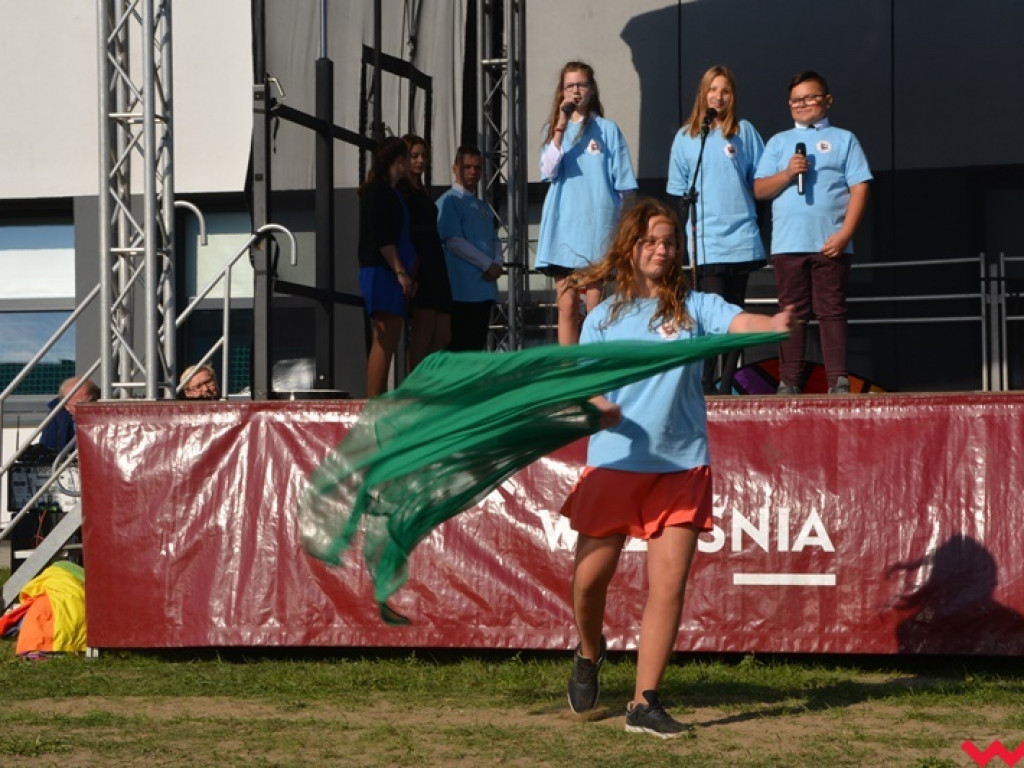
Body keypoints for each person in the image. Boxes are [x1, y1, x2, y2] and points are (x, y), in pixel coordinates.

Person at [560, 198, 793, 737]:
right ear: (630, 247)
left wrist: (771, 324)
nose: (661, 251)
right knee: (590, 581)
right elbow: (582, 381)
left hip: (681, 465)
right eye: (651, 242)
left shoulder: (694, 306)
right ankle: (589, 652)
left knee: (668, 587)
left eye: (669, 243)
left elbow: (737, 322)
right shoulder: (604, 317)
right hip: (616, 462)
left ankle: (644, 703)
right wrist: (598, 405)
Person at [753, 71, 872, 395]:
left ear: (827, 100)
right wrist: (789, 172)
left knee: (831, 309)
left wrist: (845, 234)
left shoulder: (844, 139)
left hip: (831, 242)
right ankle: (788, 380)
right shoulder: (778, 142)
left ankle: (838, 379)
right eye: (795, 100)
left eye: (809, 97)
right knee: (792, 311)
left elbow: (860, 187)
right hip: (788, 244)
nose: (802, 104)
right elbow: (760, 189)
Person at [666, 65, 766, 395]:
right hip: (706, 241)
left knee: (735, 313)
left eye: (724, 90)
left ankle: (726, 384)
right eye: (712, 89)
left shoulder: (744, 132)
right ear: (703, 93)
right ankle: (705, 383)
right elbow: (680, 190)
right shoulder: (686, 137)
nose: (718, 96)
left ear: (732, 95)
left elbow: (760, 181)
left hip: (740, 237)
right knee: (709, 315)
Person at [534, 61, 638, 345]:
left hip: (597, 228)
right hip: (564, 227)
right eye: (570, 85)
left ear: (592, 89)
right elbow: (548, 171)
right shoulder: (558, 129)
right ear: (562, 91)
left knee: (595, 307)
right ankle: (569, 374)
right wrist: (560, 125)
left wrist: (623, 231)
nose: (576, 91)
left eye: (581, 84)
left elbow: (625, 185)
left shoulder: (608, 130)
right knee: (567, 306)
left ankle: (593, 369)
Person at [358, 137, 417, 396]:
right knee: (384, 336)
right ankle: (374, 398)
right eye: (407, 157)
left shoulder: (392, 192)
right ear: (398, 161)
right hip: (383, 270)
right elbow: (383, 237)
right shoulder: (378, 191)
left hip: (392, 270)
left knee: (391, 337)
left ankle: (379, 394)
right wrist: (400, 271)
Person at [435, 146, 502, 351]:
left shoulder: (482, 206)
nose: (473, 172)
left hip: (483, 289)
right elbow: (453, 241)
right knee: (458, 346)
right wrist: (487, 264)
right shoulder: (448, 201)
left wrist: (497, 263)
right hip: (460, 290)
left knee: (476, 346)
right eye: (467, 167)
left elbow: (494, 238)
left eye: (477, 168)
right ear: (455, 169)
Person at [398, 134, 452, 370]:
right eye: (414, 156)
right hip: (419, 258)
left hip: (435, 259)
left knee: (443, 332)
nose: (420, 161)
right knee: (424, 328)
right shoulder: (402, 190)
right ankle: (415, 388)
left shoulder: (421, 190)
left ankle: (428, 381)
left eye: (424, 156)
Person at [40, 376, 99, 453]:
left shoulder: (110, 415)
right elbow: (48, 447)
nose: (83, 409)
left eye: (88, 402)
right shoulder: (56, 417)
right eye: (76, 405)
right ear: (66, 406)